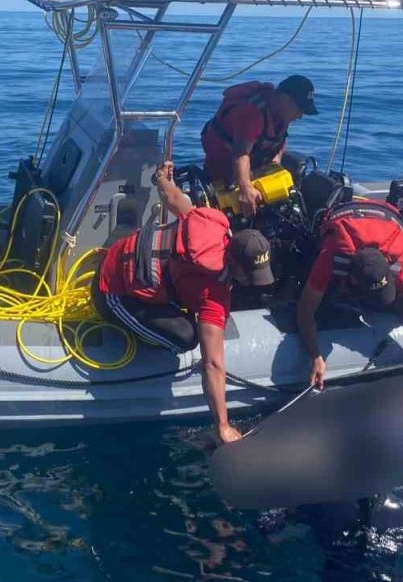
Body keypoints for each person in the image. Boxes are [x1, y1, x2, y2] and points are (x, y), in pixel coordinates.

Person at [96, 161, 274, 444]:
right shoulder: (213, 295)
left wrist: (162, 177)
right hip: (113, 291)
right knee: (186, 339)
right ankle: (146, 340)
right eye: (250, 276)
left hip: (123, 251)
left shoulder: (213, 221)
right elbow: (213, 364)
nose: (252, 282)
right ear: (236, 267)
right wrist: (223, 426)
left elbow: (173, 197)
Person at [296, 198, 403, 389]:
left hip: (383, 220)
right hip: (346, 222)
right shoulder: (330, 258)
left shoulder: (399, 266)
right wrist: (316, 356)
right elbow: (305, 311)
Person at [200, 75, 318, 216]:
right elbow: (240, 153)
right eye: (300, 109)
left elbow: (279, 140)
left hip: (256, 166)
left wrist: (274, 169)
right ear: (285, 99)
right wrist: (245, 189)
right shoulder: (253, 115)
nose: (301, 116)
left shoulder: (281, 112)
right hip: (224, 174)